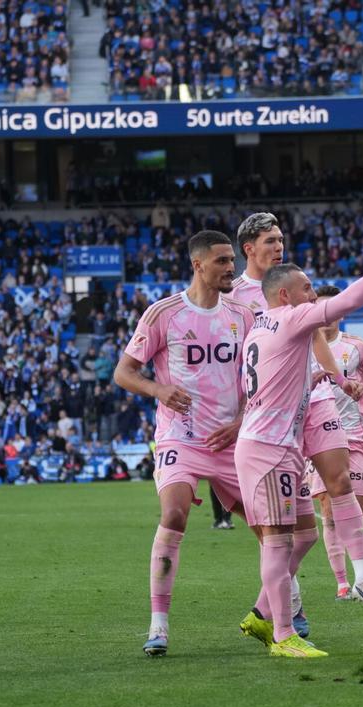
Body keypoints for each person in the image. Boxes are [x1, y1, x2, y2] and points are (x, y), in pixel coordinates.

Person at [235, 238, 363, 659]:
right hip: (269, 448)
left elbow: (268, 382)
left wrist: (323, 379)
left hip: (273, 441)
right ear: (285, 295)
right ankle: (284, 635)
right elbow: (348, 300)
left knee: (305, 533)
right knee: (278, 541)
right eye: (306, 287)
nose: (313, 294)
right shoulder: (290, 318)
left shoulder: (259, 329)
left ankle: (262, 610)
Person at [114, 230, 257, 658]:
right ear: (198, 265)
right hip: (182, 436)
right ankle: (158, 626)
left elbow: (256, 380)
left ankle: (283, 613)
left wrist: (240, 419)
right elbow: (124, 373)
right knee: (174, 513)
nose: (231, 267)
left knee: (273, 529)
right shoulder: (164, 314)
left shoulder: (242, 316)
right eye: (222, 261)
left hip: (232, 439)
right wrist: (159, 391)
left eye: (232, 260)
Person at [307, 284, 363, 605]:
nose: (328, 316)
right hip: (318, 437)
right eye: (322, 309)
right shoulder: (304, 347)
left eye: (333, 309)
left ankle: (360, 574)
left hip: (356, 436)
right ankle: (344, 583)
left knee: (357, 511)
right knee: (329, 511)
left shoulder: (357, 347)